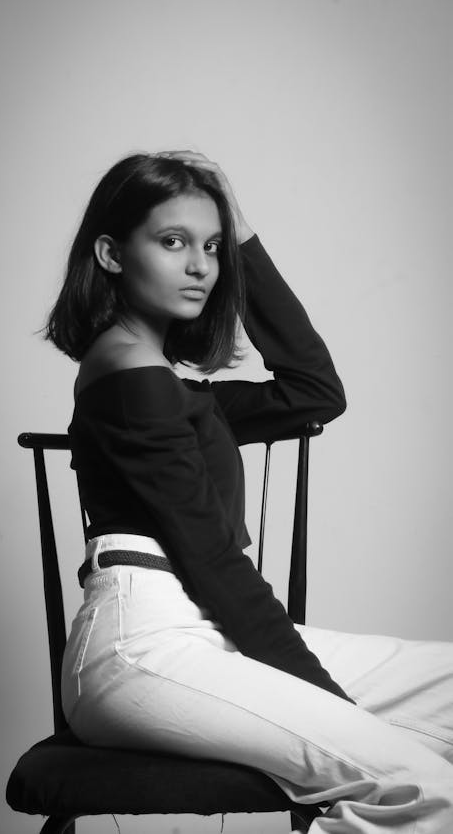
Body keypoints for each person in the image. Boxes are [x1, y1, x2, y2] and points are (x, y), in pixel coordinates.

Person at [45, 150, 453, 832]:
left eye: (210, 246)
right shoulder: (128, 375)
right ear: (112, 254)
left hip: (198, 632)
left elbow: (314, 391)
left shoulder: (168, 387)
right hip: (142, 648)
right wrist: (332, 703)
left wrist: (242, 234)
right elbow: (215, 565)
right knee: (416, 780)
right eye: (173, 241)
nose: (202, 266)